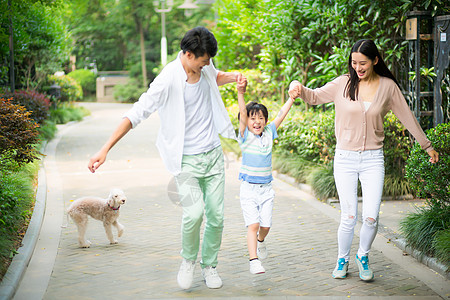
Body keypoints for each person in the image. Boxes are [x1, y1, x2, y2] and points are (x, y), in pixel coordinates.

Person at [88, 27, 242, 290]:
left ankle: (210, 266)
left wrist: (235, 78)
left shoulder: (205, 67)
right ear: (188, 54)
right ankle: (188, 261)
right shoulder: (167, 79)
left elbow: (215, 76)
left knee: (216, 216)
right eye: (203, 61)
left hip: (214, 157)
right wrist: (105, 149)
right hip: (186, 161)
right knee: (194, 214)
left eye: (208, 62)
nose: (206, 65)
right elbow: (137, 113)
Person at [288, 39, 439, 281]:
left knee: (371, 216)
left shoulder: (388, 87)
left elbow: (407, 117)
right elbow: (314, 96)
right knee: (348, 216)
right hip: (345, 158)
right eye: (354, 62)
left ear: (375, 61)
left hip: (372, 159)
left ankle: (363, 255)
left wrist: (427, 145)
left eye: (363, 63)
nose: (357, 67)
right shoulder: (342, 84)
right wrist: (298, 87)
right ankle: (342, 259)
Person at [236, 76, 294, 274]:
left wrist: (292, 98)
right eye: (253, 118)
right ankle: (254, 261)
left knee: (265, 226)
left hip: (266, 189)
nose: (257, 121)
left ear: (265, 121)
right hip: (248, 189)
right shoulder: (244, 135)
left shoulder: (269, 132)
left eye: (260, 117)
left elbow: (281, 114)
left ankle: (261, 241)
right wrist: (241, 93)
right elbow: (243, 114)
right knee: (253, 224)